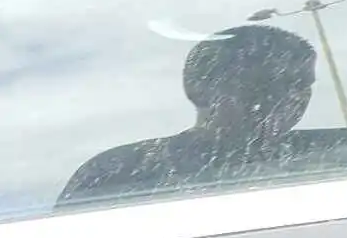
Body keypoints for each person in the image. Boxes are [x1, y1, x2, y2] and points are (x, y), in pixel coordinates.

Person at [57, 24, 319, 208]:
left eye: (302, 84)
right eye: (265, 82)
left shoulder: (337, 156)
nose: (293, 96)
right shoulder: (119, 172)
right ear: (199, 88)